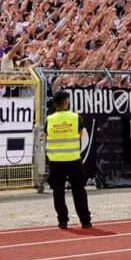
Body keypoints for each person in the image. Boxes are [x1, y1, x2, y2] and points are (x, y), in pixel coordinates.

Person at [44, 91, 91, 229]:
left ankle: (62, 221)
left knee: (58, 192)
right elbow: (80, 134)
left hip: (55, 161)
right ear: (66, 102)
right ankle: (85, 221)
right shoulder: (75, 117)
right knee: (79, 190)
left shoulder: (50, 119)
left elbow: (46, 136)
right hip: (73, 159)